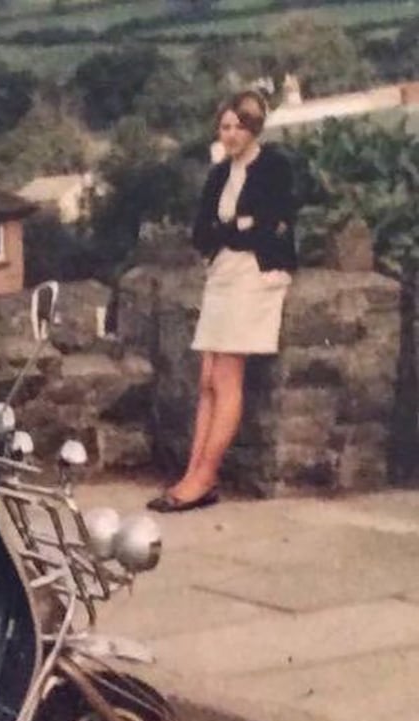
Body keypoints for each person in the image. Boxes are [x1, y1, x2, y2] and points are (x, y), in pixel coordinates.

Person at [148, 90, 297, 513]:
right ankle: (193, 474)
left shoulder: (274, 167)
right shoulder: (218, 174)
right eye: (225, 126)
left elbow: (272, 229)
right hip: (222, 275)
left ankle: (204, 477)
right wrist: (235, 227)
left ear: (255, 128)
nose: (231, 134)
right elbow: (202, 233)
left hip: (257, 276)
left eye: (239, 126)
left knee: (227, 378)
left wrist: (230, 229)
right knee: (207, 379)